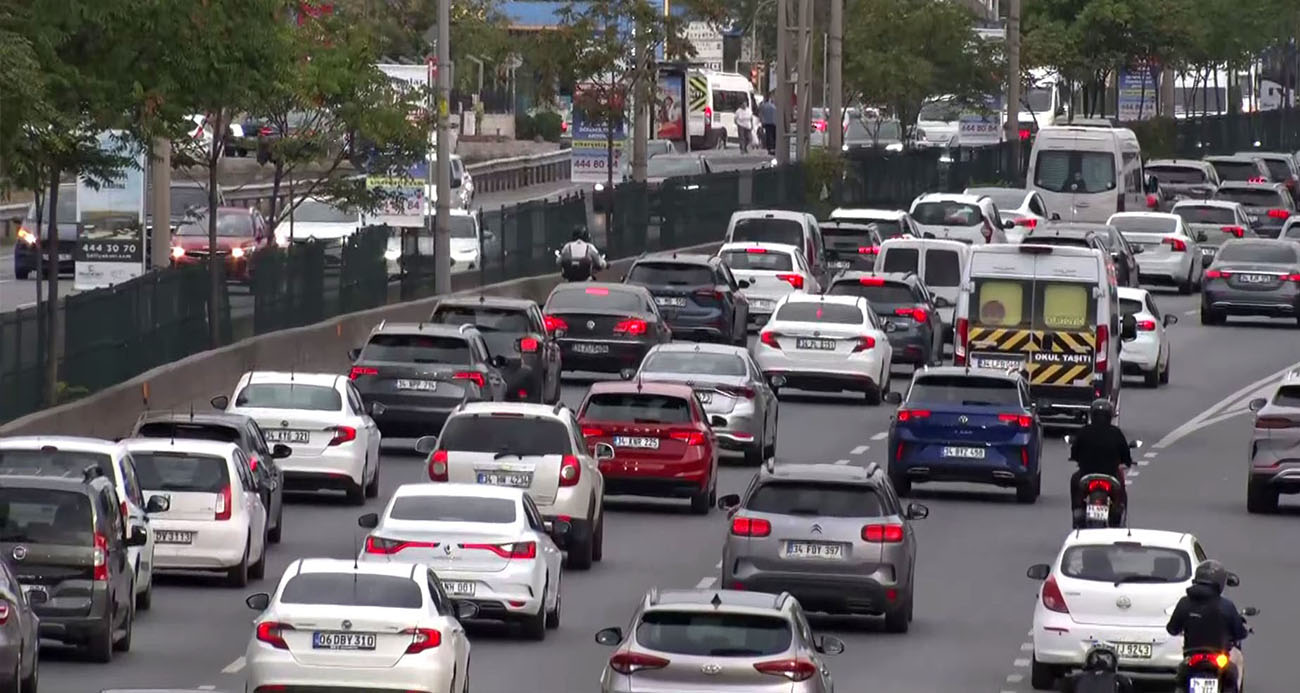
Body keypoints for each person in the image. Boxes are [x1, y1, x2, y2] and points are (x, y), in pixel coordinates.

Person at [1166, 560, 1249, 689]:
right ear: (1220, 583)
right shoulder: (1226, 606)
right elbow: (1239, 633)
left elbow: (1172, 629)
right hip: (1219, 659)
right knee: (1233, 673)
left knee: (1180, 679)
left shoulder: (1184, 603)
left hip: (1191, 659)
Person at [1068, 398, 1133, 521]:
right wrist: (1128, 462)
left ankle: (1077, 509)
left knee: (1074, 481)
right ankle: (1118, 509)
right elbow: (1126, 455)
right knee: (1121, 490)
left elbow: (1074, 452)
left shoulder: (1084, 431)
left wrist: (1076, 458)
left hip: (1086, 475)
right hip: (1111, 475)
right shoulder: (1116, 433)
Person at [1062, 646, 1136, 693]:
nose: (1102, 660)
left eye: (1107, 657)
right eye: (1098, 657)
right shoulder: (1121, 679)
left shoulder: (1075, 678)